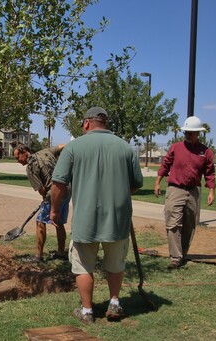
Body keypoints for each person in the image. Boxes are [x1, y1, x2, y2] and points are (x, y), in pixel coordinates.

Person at [50, 107, 143, 323]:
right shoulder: (125, 148)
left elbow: (58, 184)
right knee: (116, 263)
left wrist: (54, 210)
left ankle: (87, 311)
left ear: (86, 124)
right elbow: (136, 184)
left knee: (83, 265)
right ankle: (114, 302)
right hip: (118, 219)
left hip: (86, 219)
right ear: (106, 123)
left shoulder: (73, 148)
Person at [154, 115, 215, 269]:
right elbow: (165, 165)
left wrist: (211, 192)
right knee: (173, 224)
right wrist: (157, 182)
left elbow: (209, 173)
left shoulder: (205, 152)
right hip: (175, 189)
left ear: (198, 133)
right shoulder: (176, 147)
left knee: (189, 225)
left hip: (194, 191)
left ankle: (182, 253)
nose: (187, 134)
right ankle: (175, 258)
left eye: (191, 132)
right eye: (186, 132)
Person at [14, 143, 69, 262]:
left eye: (17, 157)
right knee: (58, 222)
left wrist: (46, 199)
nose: (17, 161)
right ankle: (60, 253)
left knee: (40, 222)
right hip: (66, 189)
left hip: (54, 193)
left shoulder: (30, 167)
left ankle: (38, 256)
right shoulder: (46, 151)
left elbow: (42, 190)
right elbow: (62, 146)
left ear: (24, 153)